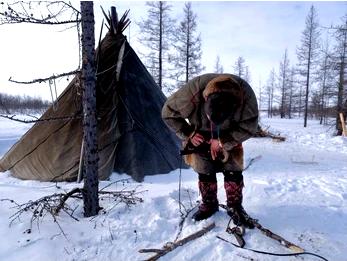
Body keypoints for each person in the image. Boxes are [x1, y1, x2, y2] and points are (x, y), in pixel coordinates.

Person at [162, 74, 259, 227]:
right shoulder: (191, 92)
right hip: (200, 133)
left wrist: (222, 141)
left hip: (230, 133)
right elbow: (168, 113)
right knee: (204, 168)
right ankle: (209, 204)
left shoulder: (246, 97)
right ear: (205, 100)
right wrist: (189, 133)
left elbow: (249, 127)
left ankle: (235, 206)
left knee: (233, 169)